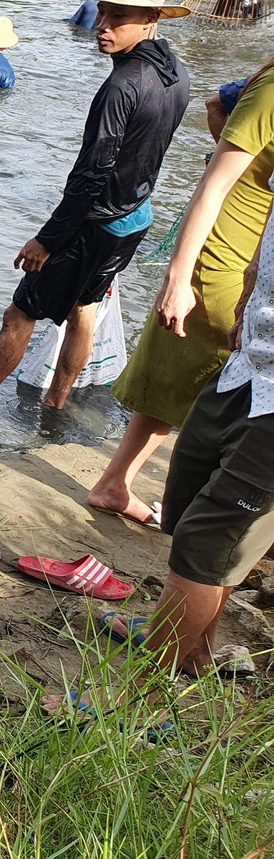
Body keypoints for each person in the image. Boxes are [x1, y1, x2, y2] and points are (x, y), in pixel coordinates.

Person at [0, 0, 190, 411]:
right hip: (134, 218)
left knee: (19, 315)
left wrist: (48, 238)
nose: (103, 25)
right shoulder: (176, 73)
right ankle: (55, 404)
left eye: (118, 18)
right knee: (85, 308)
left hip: (93, 223)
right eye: (102, 12)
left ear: (150, 19)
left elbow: (91, 173)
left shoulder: (123, 84)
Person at [90, 60, 274, 526]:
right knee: (222, 382)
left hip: (249, 252)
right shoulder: (272, 88)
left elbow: (217, 101)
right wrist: (178, 276)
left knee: (185, 373)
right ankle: (195, 510)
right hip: (229, 251)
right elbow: (214, 183)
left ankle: (118, 483)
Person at [101, 190, 274, 679]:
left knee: (207, 540)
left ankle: (136, 702)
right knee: (186, 504)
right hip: (249, 362)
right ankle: (194, 651)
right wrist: (251, 282)